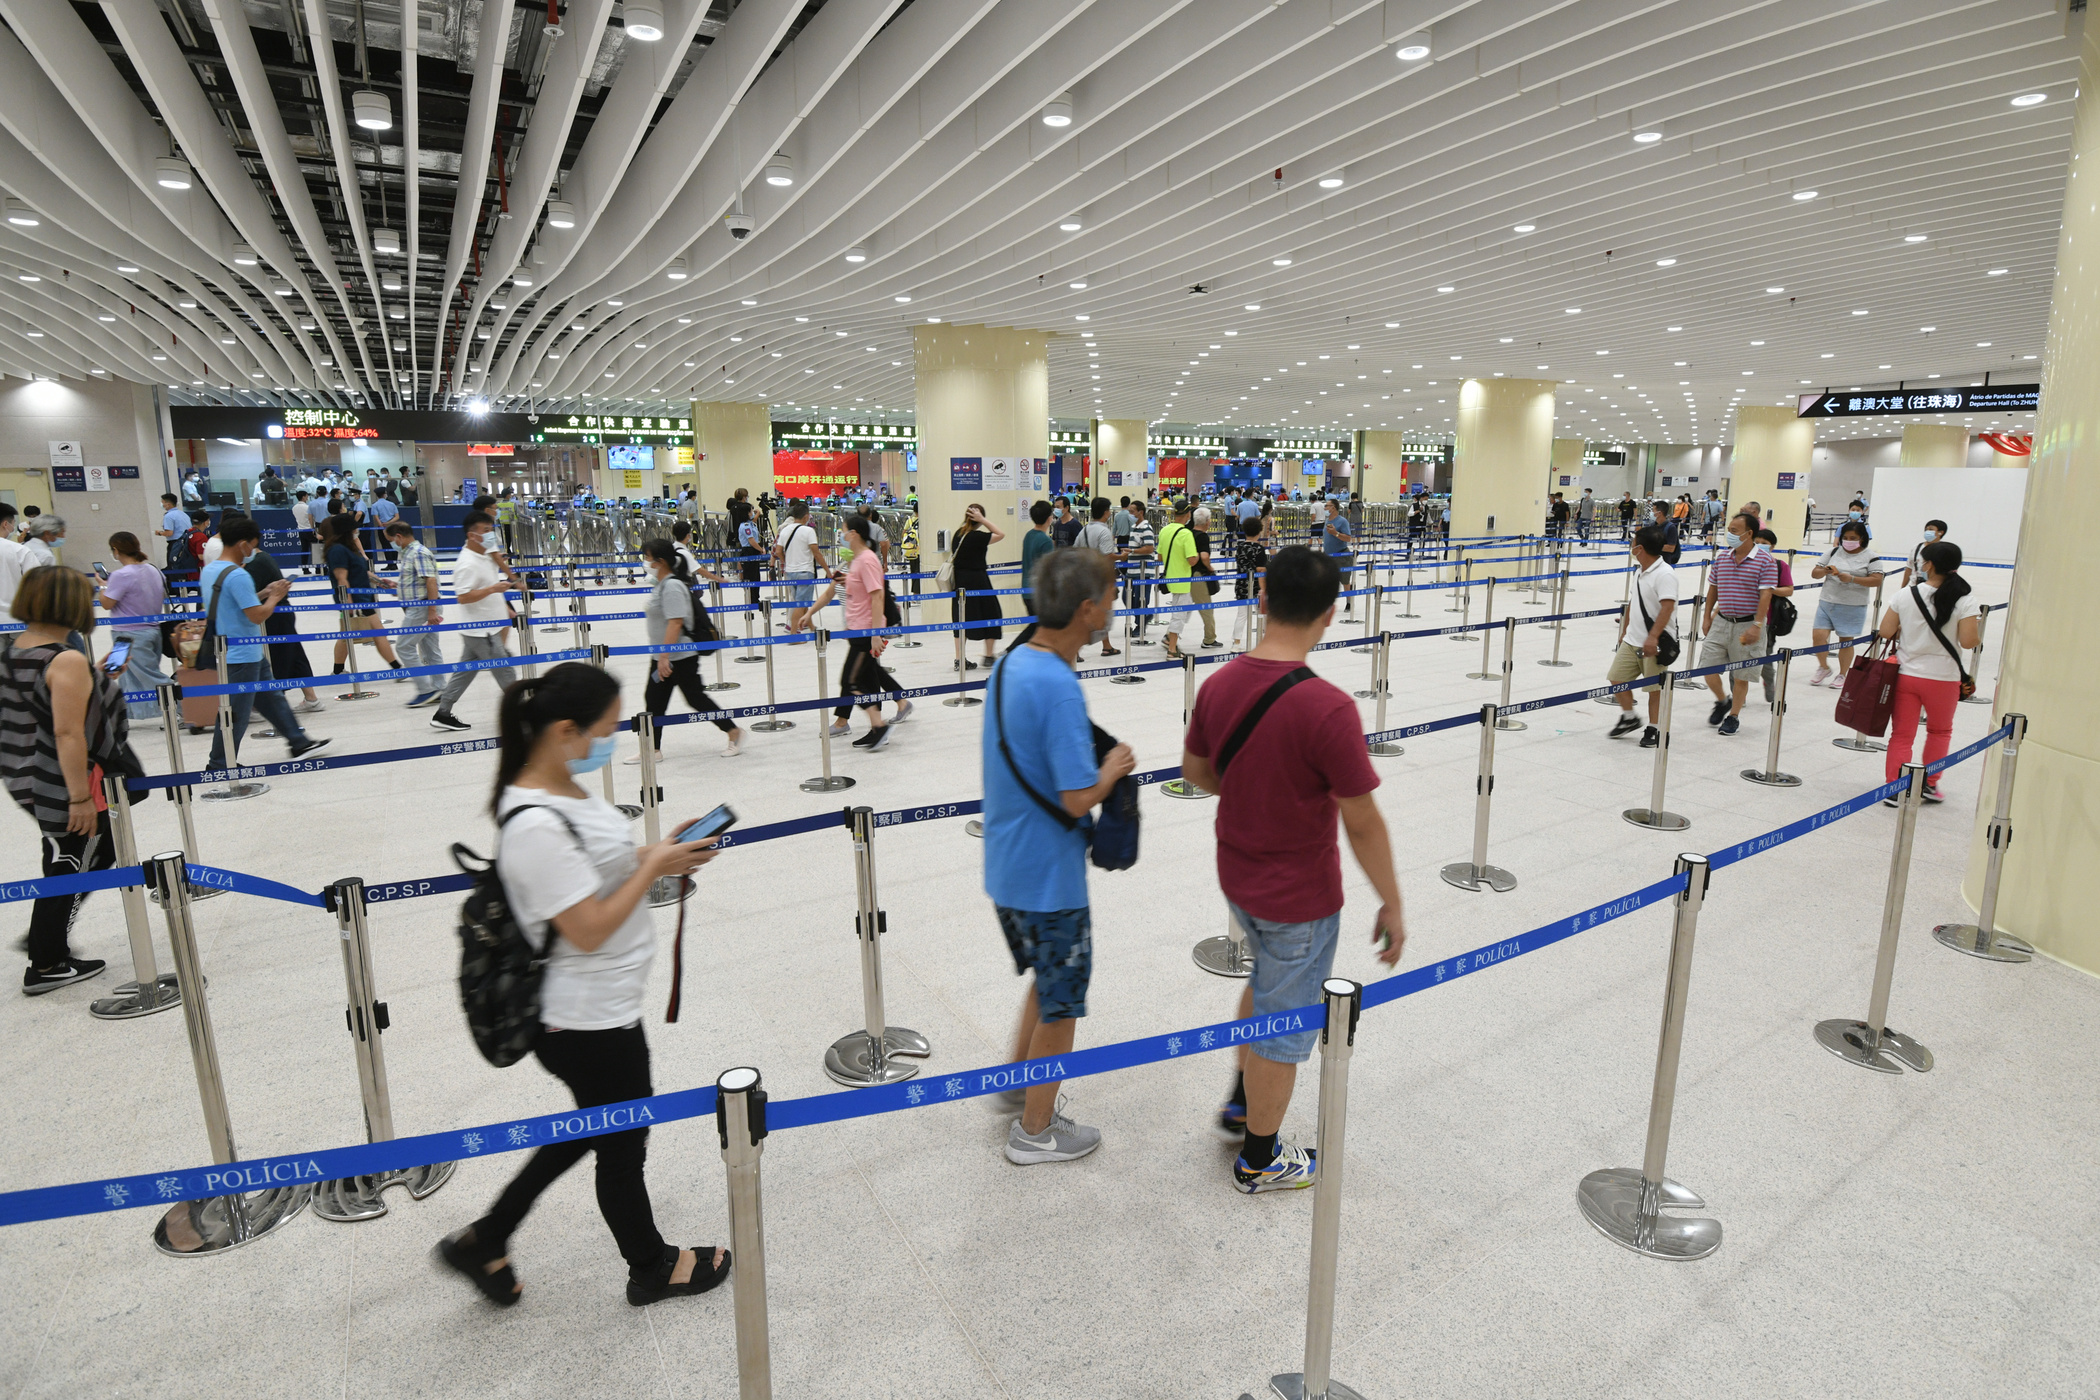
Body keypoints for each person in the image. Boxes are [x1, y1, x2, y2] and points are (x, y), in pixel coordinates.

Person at [438, 662, 729, 1308]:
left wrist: (659, 854)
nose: (614, 737)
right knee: (620, 1146)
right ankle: (651, 1266)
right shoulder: (534, 822)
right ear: (565, 730)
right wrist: (650, 862)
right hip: (584, 1019)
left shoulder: (560, 786)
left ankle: (487, 1237)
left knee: (596, 1126)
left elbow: (591, 871)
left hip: (602, 1007)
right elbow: (588, 928)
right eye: (606, 727)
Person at [1180, 546, 1405, 1191]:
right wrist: (1391, 901)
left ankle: (1241, 1101)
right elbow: (1361, 819)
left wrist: (1251, 789)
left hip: (1239, 879)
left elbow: (1196, 773)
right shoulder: (1328, 708)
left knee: (1268, 982)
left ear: (1260, 597)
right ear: (1331, 615)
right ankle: (1259, 1156)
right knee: (1284, 1026)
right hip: (1299, 897)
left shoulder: (1221, 683)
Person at [980, 549, 1134, 1164]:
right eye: (1111, 597)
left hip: (1006, 864)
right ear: (1087, 609)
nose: (1115, 608)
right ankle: (1036, 1133)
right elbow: (1076, 799)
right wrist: (1114, 767)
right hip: (1050, 879)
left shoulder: (1013, 662)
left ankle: (1018, 1088)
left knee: (1047, 984)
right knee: (1065, 1000)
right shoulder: (1058, 686)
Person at [1, 568, 140, 995]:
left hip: (26, 772)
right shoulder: (65, 659)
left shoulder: (12, 649)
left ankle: (48, 935)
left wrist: (94, 679)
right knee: (71, 859)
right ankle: (46, 960)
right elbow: (67, 732)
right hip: (60, 780)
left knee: (79, 853)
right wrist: (79, 796)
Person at [197, 519, 331, 770]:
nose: (252, 552)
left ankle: (298, 741)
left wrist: (265, 592)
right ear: (243, 544)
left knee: (272, 699)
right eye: (251, 547)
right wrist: (276, 598)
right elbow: (256, 615)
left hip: (238, 650)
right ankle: (219, 762)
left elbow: (235, 603)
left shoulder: (211, 570)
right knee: (236, 713)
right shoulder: (238, 575)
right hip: (241, 654)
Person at [1877, 540, 1981, 805]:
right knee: (1939, 731)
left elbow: (1886, 631)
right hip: (1944, 678)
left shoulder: (1905, 595)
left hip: (1907, 674)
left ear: (1930, 564)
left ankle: (1895, 787)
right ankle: (1929, 784)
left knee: (1901, 734)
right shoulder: (1965, 599)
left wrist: (1910, 630)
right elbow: (1969, 641)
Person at [632, 538, 742, 760]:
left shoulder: (672, 586)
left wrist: (664, 658)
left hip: (679, 657)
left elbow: (675, 622)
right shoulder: (661, 585)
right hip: (663, 657)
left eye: (648, 558)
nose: (645, 562)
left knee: (695, 698)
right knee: (653, 700)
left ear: (660, 562)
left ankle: (733, 731)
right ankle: (652, 749)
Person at [803, 516, 907, 748]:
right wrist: (809, 613)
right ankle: (877, 728)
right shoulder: (857, 562)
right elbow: (833, 592)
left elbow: (877, 596)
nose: (842, 536)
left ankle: (879, 727)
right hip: (856, 632)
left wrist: (875, 634)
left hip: (865, 634)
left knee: (851, 681)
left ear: (855, 534)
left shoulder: (867, 560)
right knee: (868, 682)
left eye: (845, 532)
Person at [429, 511, 518, 733]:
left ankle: (443, 713)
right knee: (505, 672)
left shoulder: (485, 554)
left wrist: (503, 605)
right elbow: (463, 597)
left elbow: (489, 584)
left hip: (484, 629)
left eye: (491, 530)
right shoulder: (466, 563)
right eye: (485, 531)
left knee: (464, 672)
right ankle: (520, 717)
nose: (490, 535)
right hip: (482, 632)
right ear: (472, 535)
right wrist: (493, 589)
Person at [1698, 512, 1777, 737]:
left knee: (1742, 673)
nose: (1729, 534)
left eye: (1734, 531)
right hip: (1722, 622)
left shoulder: (1765, 561)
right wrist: (1706, 617)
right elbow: (1713, 587)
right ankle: (1723, 700)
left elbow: (1766, 596)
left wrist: (1757, 625)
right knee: (1707, 666)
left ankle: (1733, 716)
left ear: (1749, 533)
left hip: (1748, 624)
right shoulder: (1723, 558)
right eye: (1729, 530)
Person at [243, 525, 325, 717]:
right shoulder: (263, 557)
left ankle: (272, 706)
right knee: (295, 654)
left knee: (277, 659)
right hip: (281, 612)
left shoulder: (255, 563)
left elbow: (250, 597)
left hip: (272, 615)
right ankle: (311, 698)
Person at [1606, 525, 1676, 747]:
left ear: (1640, 548)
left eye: (1634, 542)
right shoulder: (1639, 571)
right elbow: (1634, 603)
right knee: (1616, 678)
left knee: (1654, 689)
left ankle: (1654, 728)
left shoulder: (1665, 574)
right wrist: (1625, 630)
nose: (1631, 546)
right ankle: (1629, 717)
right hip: (1632, 640)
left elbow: (1667, 608)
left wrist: (1653, 637)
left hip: (1654, 643)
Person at [95, 533, 167, 723]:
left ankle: (190, 708)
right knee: (125, 675)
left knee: (148, 676)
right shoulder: (154, 570)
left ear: (116, 551)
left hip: (129, 633)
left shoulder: (121, 575)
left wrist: (103, 586)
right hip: (152, 629)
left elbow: (107, 604)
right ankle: (127, 714)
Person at [323, 513, 404, 676]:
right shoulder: (337, 550)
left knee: (346, 634)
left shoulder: (348, 548)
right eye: (354, 527)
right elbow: (341, 578)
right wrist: (349, 604)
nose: (356, 530)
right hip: (356, 600)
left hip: (362, 598)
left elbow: (361, 572)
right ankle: (397, 669)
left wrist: (380, 581)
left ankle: (338, 670)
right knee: (375, 632)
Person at [1808, 520, 1884, 686]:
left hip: (1852, 605)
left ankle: (1843, 674)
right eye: (1846, 537)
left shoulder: (1871, 557)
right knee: (1818, 636)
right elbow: (1815, 573)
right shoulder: (1833, 552)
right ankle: (1823, 666)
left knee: (1845, 640)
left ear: (1862, 538)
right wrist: (1825, 570)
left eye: (1853, 537)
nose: (1848, 541)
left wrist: (1853, 579)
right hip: (1827, 601)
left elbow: (1877, 580)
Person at [384, 521, 447, 708]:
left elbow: (431, 582)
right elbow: (419, 581)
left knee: (404, 646)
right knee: (430, 649)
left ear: (399, 537)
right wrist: (398, 586)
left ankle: (426, 690)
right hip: (421, 607)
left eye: (391, 540)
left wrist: (432, 611)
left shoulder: (418, 553)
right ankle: (439, 687)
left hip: (422, 608)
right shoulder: (409, 553)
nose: (391, 544)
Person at [949, 501, 1005, 669]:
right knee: (992, 614)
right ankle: (988, 655)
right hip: (979, 580)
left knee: (961, 618)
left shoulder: (958, 534)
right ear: (979, 518)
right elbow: (1000, 534)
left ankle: (959, 659)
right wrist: (984, 520)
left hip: (960, 582)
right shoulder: (977, 537)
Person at [1752, 526, 1795, 703]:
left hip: (1767, 620)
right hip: (1741, 617)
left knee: (1764, 656)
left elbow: (1789, 590)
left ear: (1773, 546)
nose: (1760, 546)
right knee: (1737, 658)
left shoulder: (1779, 565)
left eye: (1765, 544)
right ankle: (1738, 694)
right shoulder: (1743, 562)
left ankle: (1769, 682)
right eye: (1757, 543)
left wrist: (1771, 590)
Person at [773, 499, 826, 636]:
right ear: (806, 516)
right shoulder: (808, 531)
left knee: (799, 600)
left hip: (790, 572)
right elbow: (816, 553)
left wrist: (786, 562)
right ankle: (793, 632)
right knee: (800, 603)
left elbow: (778, 551)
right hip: (805, 571)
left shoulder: (784, 530)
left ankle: (810, 625)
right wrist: (827, 570)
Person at [1009, 500, 1057, 652]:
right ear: (1049, 518)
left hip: (1026, 588)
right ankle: (1011, 651)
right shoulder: (1046, 541)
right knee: (1039, 625)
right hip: (1038, 591)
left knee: (1037, 625)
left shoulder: (1029, 535)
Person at [1156, 498, 1201, 659]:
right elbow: (1192, 560)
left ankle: (1169, 637)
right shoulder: (1186, 534)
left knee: (1185, 611)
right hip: (1182, 580)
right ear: (1188, 514)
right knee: (1179, 616)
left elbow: (1160, 557)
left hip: (1170, 578)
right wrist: (1196, 556)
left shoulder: (1164, 530)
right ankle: (1172, 649)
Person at [1077, 497, 1120, 659]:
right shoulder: (1104, 532)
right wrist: (1121, 557)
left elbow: (1076, 551)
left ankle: (1106, 646)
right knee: (1100, 612)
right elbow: (1108, 556)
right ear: (1105, 512)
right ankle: (1075, 649)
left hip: (1086, 577)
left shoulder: (1085, 530)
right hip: (1100, 578)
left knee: (1093, 612)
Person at [1229, 515, 1267, 650]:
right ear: (1259, 531)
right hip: (1256, 586)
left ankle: (1236, 643)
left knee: (1242, 615)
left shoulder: (1239, 547)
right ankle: (1264, 641)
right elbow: (1261, 570)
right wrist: (1264, 588)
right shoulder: (1260, 549)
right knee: (1262, 613)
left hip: (1241, 584)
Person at [1189, 505, 1222, 649]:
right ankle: (1209, 639)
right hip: (1199, 576)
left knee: (1183, 608)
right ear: (1207, 521)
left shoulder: (1188, 533)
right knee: (1207, 609)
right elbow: (1204, 556)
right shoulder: (1202, 537)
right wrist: (1210, 568)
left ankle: (1169, 636)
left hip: (1186, 574)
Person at [1899, 519, 1948, 589]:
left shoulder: (1945, 550)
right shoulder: (1916, 548)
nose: (1927, 532)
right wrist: (1902, 587)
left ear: (1941, 532)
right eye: (1926, 529)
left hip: (1935, 587)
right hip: (1915, 586)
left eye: (1931, 529)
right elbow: (1909, 568)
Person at [367, 490, 400, 566]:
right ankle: (394, 564)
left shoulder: (375, 505)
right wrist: (389, 522)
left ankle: (389, 564)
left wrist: (382, 526)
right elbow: (397, 516)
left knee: (385, 545)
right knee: (394, 544)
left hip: (382, 526)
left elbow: (376, 518)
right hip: (393, 526)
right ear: (384, 495)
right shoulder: (392, 504)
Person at [1650, 499, 1682, 567]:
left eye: (1653, 510)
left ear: (1659, 513)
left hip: (1665, 563)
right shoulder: (1652, 525)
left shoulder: (1671, 528)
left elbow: (1671, 548)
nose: (1652, 512)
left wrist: (1652, 546)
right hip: (1651, 562)